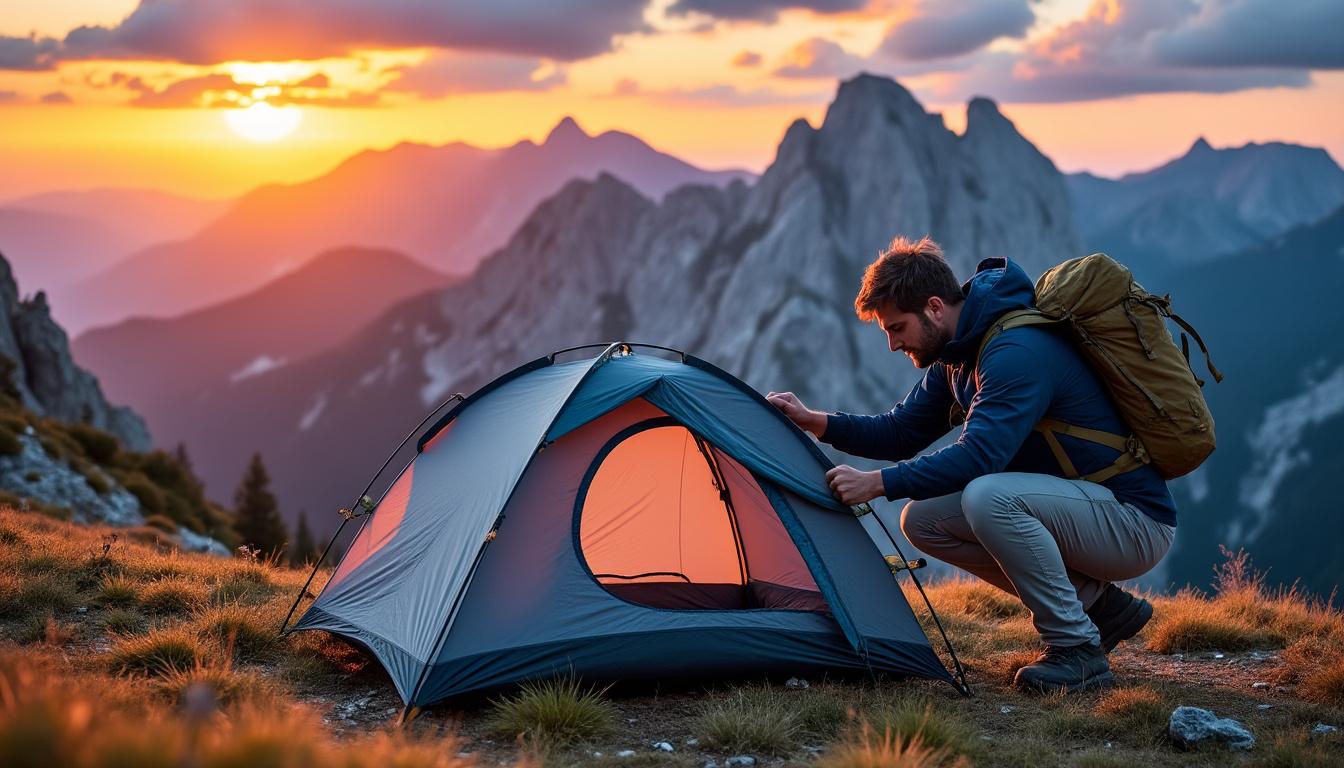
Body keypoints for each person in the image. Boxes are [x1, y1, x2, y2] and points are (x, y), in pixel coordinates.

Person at [766, 236, 1176, 693]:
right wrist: (815, 421)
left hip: (1132, 522)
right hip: (1080, 513)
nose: (892, 344)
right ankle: (1102, 608)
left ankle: (1078, 651)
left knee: (987, 495)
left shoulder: (1017, 351)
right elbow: (901, 432)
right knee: (923, 521)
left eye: (896, 328)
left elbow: (981, 456)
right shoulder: (960, 355)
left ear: (935, 307)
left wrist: (878, 483)